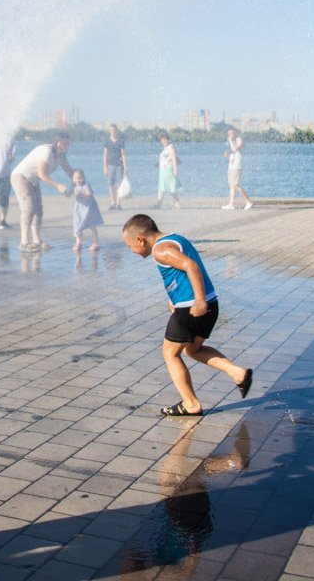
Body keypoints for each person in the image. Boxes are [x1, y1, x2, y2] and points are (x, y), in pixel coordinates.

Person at [122, 214, 253, 417]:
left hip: (193, 308)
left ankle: (190, 403)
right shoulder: (175, 238)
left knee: (170, 354)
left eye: (129, 245)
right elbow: (180, 275)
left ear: (140, 239)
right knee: (193, 350)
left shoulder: (160, 250)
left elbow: (191, 267)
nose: (131, 250)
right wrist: (176, 299)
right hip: (210, 304)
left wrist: (198, 301)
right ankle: (238, 373)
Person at [10, 132, 74, 252]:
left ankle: (37, 241)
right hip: (20, 177)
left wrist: (79, 182)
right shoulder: (47, 151)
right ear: (55, 141)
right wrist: (58, 186)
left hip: (33, 180)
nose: (65, 146)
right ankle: (23, 242)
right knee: (28, 208)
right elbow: (41, 174)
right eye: (63, 143)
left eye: (67, 144)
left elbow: (70, 173)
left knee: (38, 210)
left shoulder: (61, 156)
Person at [71, 169, 104, 251]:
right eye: (75, 178)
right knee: (78, 225)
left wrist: (82, 193)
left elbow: (89, 194)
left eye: (80, 178)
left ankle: (95, 243)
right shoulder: (73, 186)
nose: (78, 180)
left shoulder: (86, 185)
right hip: (79, 208)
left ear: (84, 178)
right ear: (73, 179)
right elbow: (69, 193)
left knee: (91, 225)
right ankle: (78, 242)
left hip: (89, 208)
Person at [222, 127, 252, 210]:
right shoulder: (232, 142)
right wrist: (227, 156)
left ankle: (248, 201)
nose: (230, 135)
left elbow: (235, 149)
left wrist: (231, 141)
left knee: (236, 185)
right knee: (231, 186)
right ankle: (231, 204)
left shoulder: (239, 140)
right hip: (231, 166)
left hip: (236, 167)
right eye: (229, 134)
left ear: (235, 133)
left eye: (231, 133)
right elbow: (233, 155)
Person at [103, 124, 128, 210]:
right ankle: (113, 202)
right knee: (110, 184)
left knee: (119, 184)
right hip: (110, 165)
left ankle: (118, 203)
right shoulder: (107, 141)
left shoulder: (120, 141)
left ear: (116, 131)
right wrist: (105, 167)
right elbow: (105, 155)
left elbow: (123, 154)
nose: (113, 131)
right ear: (109, 131)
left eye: (114, 130)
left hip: (119, 165)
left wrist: (125, 166)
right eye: (111, 130)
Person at [155, 132, 180, 209]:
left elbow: (174, 159)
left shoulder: (171, 147)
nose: (163, 141)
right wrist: (158, 165)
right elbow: (165, 159)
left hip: (168, 170)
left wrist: (175, 170)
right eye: (162, 140)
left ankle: (176, 203)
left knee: (170, 187)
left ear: (168, 139)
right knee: (163, 187)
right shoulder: (165, 148)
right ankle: (159, 204)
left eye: (165, 140)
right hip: (163, 171)